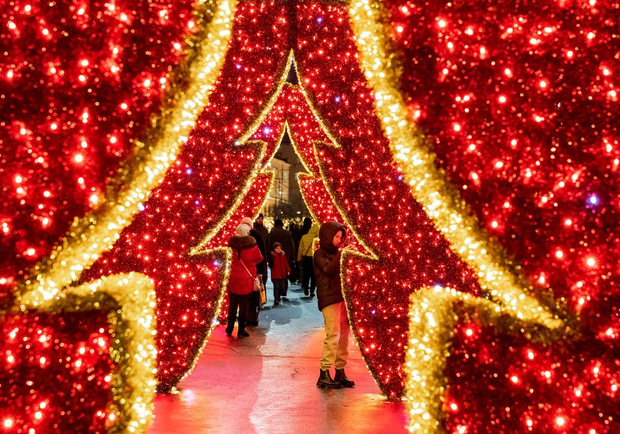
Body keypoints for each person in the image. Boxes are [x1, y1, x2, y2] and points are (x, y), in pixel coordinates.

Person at [314, 221, 355, 388]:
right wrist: (342, 255)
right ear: (327, 236)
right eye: (336, 236)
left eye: (340, 237)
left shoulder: (337, 252)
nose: (338, 240)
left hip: (341, 298)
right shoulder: (319, 254)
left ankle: (340, 370)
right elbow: (329, 269)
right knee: (333, 334)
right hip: (329, 298)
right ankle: (324, 373)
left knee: (344, 335)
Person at [226, 224, 263, 338]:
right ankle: (241, 330)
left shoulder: (231, 245)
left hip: (233, 278)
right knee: (243, 306)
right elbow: (260, 258)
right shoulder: (252, 246)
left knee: (232, 305)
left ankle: (229, 327)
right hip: (246, 279)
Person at [241, 217, 265, 326]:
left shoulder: (252, 237)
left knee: (249, 294)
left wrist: (260, 271)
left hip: (249, 271)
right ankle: (251, 316)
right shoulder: (257, 237)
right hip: (252, 271)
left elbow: (261, 256)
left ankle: (249, 316)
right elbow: (261, 256)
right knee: (252, 294)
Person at [297, 223, 319, 297]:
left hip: (306, 258)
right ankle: (312, 290)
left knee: (306, 274)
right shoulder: (318, 239)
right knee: (313, 276)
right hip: (314, 258)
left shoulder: (304, 237)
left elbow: (300, 249)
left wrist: (299, 258)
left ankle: (306, 287)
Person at [270, 242, 291, 306]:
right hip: (275, 275)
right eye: (277, 248)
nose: (278, 249)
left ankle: (278, 297)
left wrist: (288, 270)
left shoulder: (283, 256)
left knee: (281, 287)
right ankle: (276, 298)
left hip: (282, 274)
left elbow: (286, 264)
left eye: (280, 248)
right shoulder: (273, 256)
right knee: (276, 287)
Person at [253, 214, 269, 286]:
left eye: (261, 218)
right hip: (256, 255)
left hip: (263, 255)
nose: (260, 220)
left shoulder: (264, 230)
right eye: (258, 218)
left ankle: (262, 294)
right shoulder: (253, 230)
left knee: (263, 277)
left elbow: (268, 242)